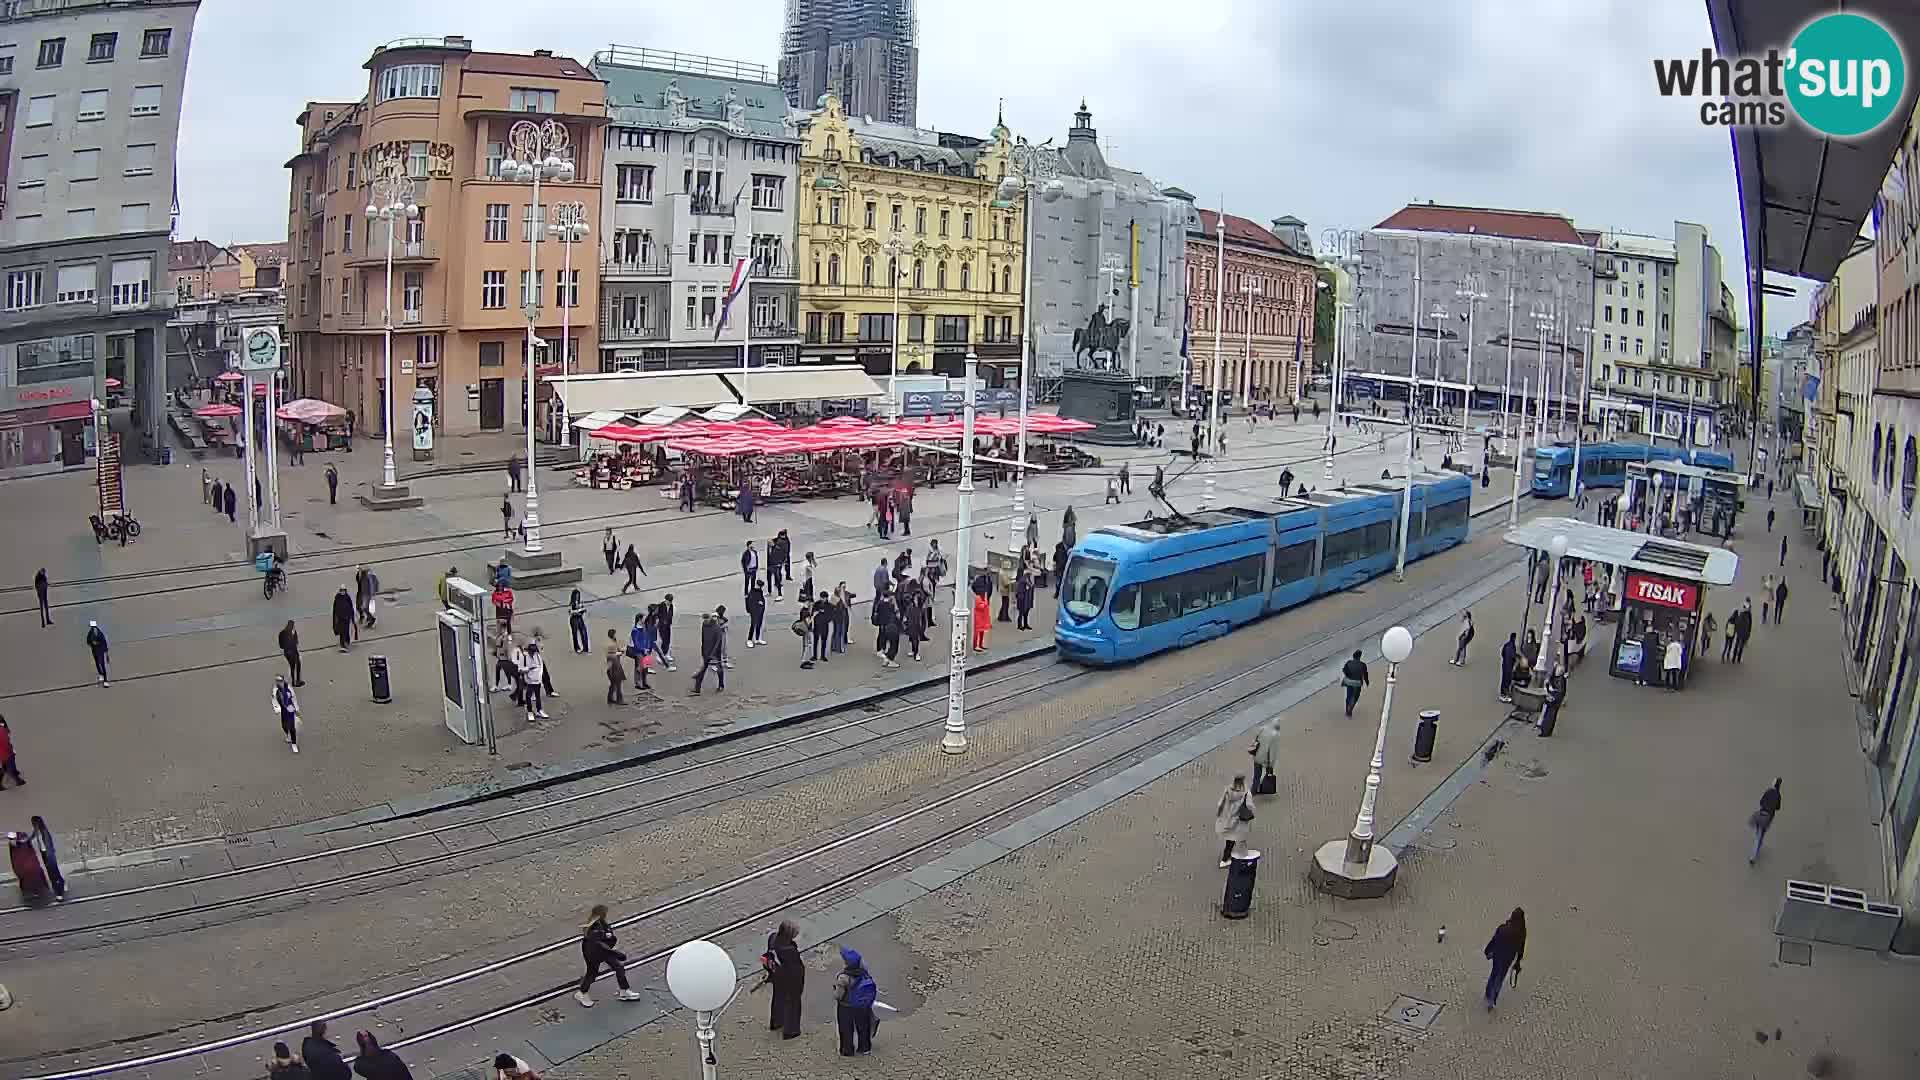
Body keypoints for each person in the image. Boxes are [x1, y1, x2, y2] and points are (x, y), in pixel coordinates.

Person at [574, 903, 645, 1007]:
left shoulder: (602, 924)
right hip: (593, 953)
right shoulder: (595, 928)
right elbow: (600, 945)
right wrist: (616, 953)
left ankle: (624, 990)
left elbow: (607, 939)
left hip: (603, 951)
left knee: (619, 967)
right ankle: (581, 993)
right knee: (592, 973)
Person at [762, 919, 806, 1038]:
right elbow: (795, 969)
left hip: (777, 975)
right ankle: (790, 1031)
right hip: (789, 979)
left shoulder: (773, 937)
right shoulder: (789, 950)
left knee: (778, 998)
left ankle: (777, 1022)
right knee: (792, 1004)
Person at [833, 946, 878, 1057]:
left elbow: (839, 995)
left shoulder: (844, 977)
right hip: (862, 1005)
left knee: (846, 1028)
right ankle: (865, 1048)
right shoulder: (864, 972)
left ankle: (847, 1050)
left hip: (847, 1006)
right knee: (863, 1026)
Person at [1482, 908, 1527, 1011]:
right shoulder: (1521, 933)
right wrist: (1518, 961)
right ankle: (1492, 1000)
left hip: (1497, 956)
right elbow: (1521, 949)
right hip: (1508, 959)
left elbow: (1494, 940)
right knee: (1500, 977)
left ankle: (1488, 993)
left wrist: (1487, 950)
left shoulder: (1503, 928)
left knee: (1494, 974)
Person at [1213, 775, 1253, 867]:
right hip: (1239, 820)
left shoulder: (1228, 790)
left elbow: (1220, 804)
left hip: (1228, 818)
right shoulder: (1246, 792)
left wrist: (1219, 814)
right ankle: (1226, 859)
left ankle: (1229, 858)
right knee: (1239, 839)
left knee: (1230, 839)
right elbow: (1250, 805)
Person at [28, 815, 63, 899]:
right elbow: (31, 837)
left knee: (54, 872)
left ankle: (59, 892)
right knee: (51, 872)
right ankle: (58, 886)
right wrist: (25, 841)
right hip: (44, 853)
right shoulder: (36, 831)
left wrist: (49, 856)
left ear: (38, 823)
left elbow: (49, 845)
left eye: (34, 823)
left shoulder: (44, 832)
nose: (33, 825)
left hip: (49, 854)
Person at [1750, 778, 1783, 863]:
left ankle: (1753, 855)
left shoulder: (1768, 791)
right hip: (1768, 818)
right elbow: (1778, 808)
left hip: (1760, 814)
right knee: (1761, 835)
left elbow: (1761, 802)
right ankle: (1755, 855)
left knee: (1758, 834)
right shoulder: (1778, 795)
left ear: (1773, 783)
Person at [691, 612, 725, 695]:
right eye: (704, 619)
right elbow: (703, 639)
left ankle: (721, 685)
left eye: (707, 619)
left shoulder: (717, 627)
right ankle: (697, 688)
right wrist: (703, 651)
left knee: (719, 668)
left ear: (710, 618)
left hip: (715, 652)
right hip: (706, 651)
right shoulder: (704, 626)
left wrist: (713, 653)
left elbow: (718, 641)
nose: (705, 621)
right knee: (703, 669)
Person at [1250, 720, 1280, 795]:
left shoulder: (1263, 729)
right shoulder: (1275, 736)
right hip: (1267, 759)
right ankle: (1267, 788)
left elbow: (1256, 739)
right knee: (1269, 774)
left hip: (1257, 756)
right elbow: (1272, 751)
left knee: (1257, 775)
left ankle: (1253, 791)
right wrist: (1271, 764)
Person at [273, 674, 301, 753]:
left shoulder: (288, 688)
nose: (279, 683)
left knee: (292, 727)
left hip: (290, 708)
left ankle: (294, 744)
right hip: (283, 709)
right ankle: (288, 735)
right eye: (278, 681)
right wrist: (277, 708)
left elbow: (293, 697)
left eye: (280, 681)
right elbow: (274, 699)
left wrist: (296, 708)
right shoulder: (276, 690)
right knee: (284, 725)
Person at [1539, 661, 1567, 736]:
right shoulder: (1562, 679)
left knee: (1549, 713)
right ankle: (1548, 731)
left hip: (1555, 695)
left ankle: (1545, 731)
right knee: (1552, 713)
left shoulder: (1556, 679)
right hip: (1558, 696)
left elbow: (1553, 688)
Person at [522, 642, 548, 720]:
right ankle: (530, 712)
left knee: (537, 696)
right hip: (530, 681)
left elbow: (541, 667)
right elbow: (521, 669)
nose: (532, 653)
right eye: (531, 652)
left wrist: (539, 679)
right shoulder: (525, 658)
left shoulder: (538, 656)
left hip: (537, 680)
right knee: (528, 697)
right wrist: (528, 671)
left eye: (533, 652)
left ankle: (539, 710)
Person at [1340, 650, 1369, 717]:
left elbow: (1344, 670)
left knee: (1348, 696)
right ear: (1360, 656)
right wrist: (1367, 682)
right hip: (1357, 683)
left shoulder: (1349, 662)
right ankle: (1350, 709)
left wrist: (1348, 676)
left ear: (1353, 656)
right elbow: (1365, 675)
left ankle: (1347, 710)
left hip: (1349, 681)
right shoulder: (1363, 665)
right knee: (1355, 696)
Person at [605, 629, 629, 704]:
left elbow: (617, 650)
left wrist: (621, 650)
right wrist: (618, 653)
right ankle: (619, 699)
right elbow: (610, 655)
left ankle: (610, 698)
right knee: (617, 684)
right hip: (614, 667)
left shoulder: (613, 642)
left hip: (615, 666)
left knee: (613, 684)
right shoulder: (610, 644)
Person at [278, 620, 304, 686]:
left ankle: (297, 680)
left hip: (293, 651)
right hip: (289, 652)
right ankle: (295, 681)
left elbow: (296, 641)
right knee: (293, 666)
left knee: (297, 665)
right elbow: (282, 645)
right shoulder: (283, 633)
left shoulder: (292, 632)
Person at [971, 571, 992, 652]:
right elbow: (980, 606)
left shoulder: (983, 596)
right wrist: (985, 604)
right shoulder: (978, 597)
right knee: (977, 630)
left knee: (982, 630)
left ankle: (980, 644)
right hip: (979, 616)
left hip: (983, 615)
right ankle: (975, 645)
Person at [85, 620, 111, 685]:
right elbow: (88, 641)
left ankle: (105, 680)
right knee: (97, 663)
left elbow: (104, 643)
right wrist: (91, 643)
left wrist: (106, 653)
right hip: (95, 651)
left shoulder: (100, 633)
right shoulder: (90, 633)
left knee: (102, 665)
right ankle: (101, 674)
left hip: (100, 651)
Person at [745, 577, 768, 648]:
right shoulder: (752, 592)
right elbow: (750, 602)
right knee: (753, 625)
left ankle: (757, 639)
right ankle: (749, 639)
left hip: (760, 611)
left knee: (759, 624)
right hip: (755, 611)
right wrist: (758, 603)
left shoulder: (759, 591)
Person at [0, 716, 21, 788]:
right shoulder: (2, 730)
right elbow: (6, 743)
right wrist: (11, 750)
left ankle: (11, 771)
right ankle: (16, 780)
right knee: (10, 764)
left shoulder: (3, 729)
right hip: (6, 753)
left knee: (5, 764)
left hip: (2, 754)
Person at [1498, 632, 1519, 704]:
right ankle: (1505, 695)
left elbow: (1502, 653)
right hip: (1509, 666)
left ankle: (1502, 694)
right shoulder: (1512, 646)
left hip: (1504, 665)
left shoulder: (1507, 644)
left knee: (1504, 679)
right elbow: (1513, 656)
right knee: (1507, 681)